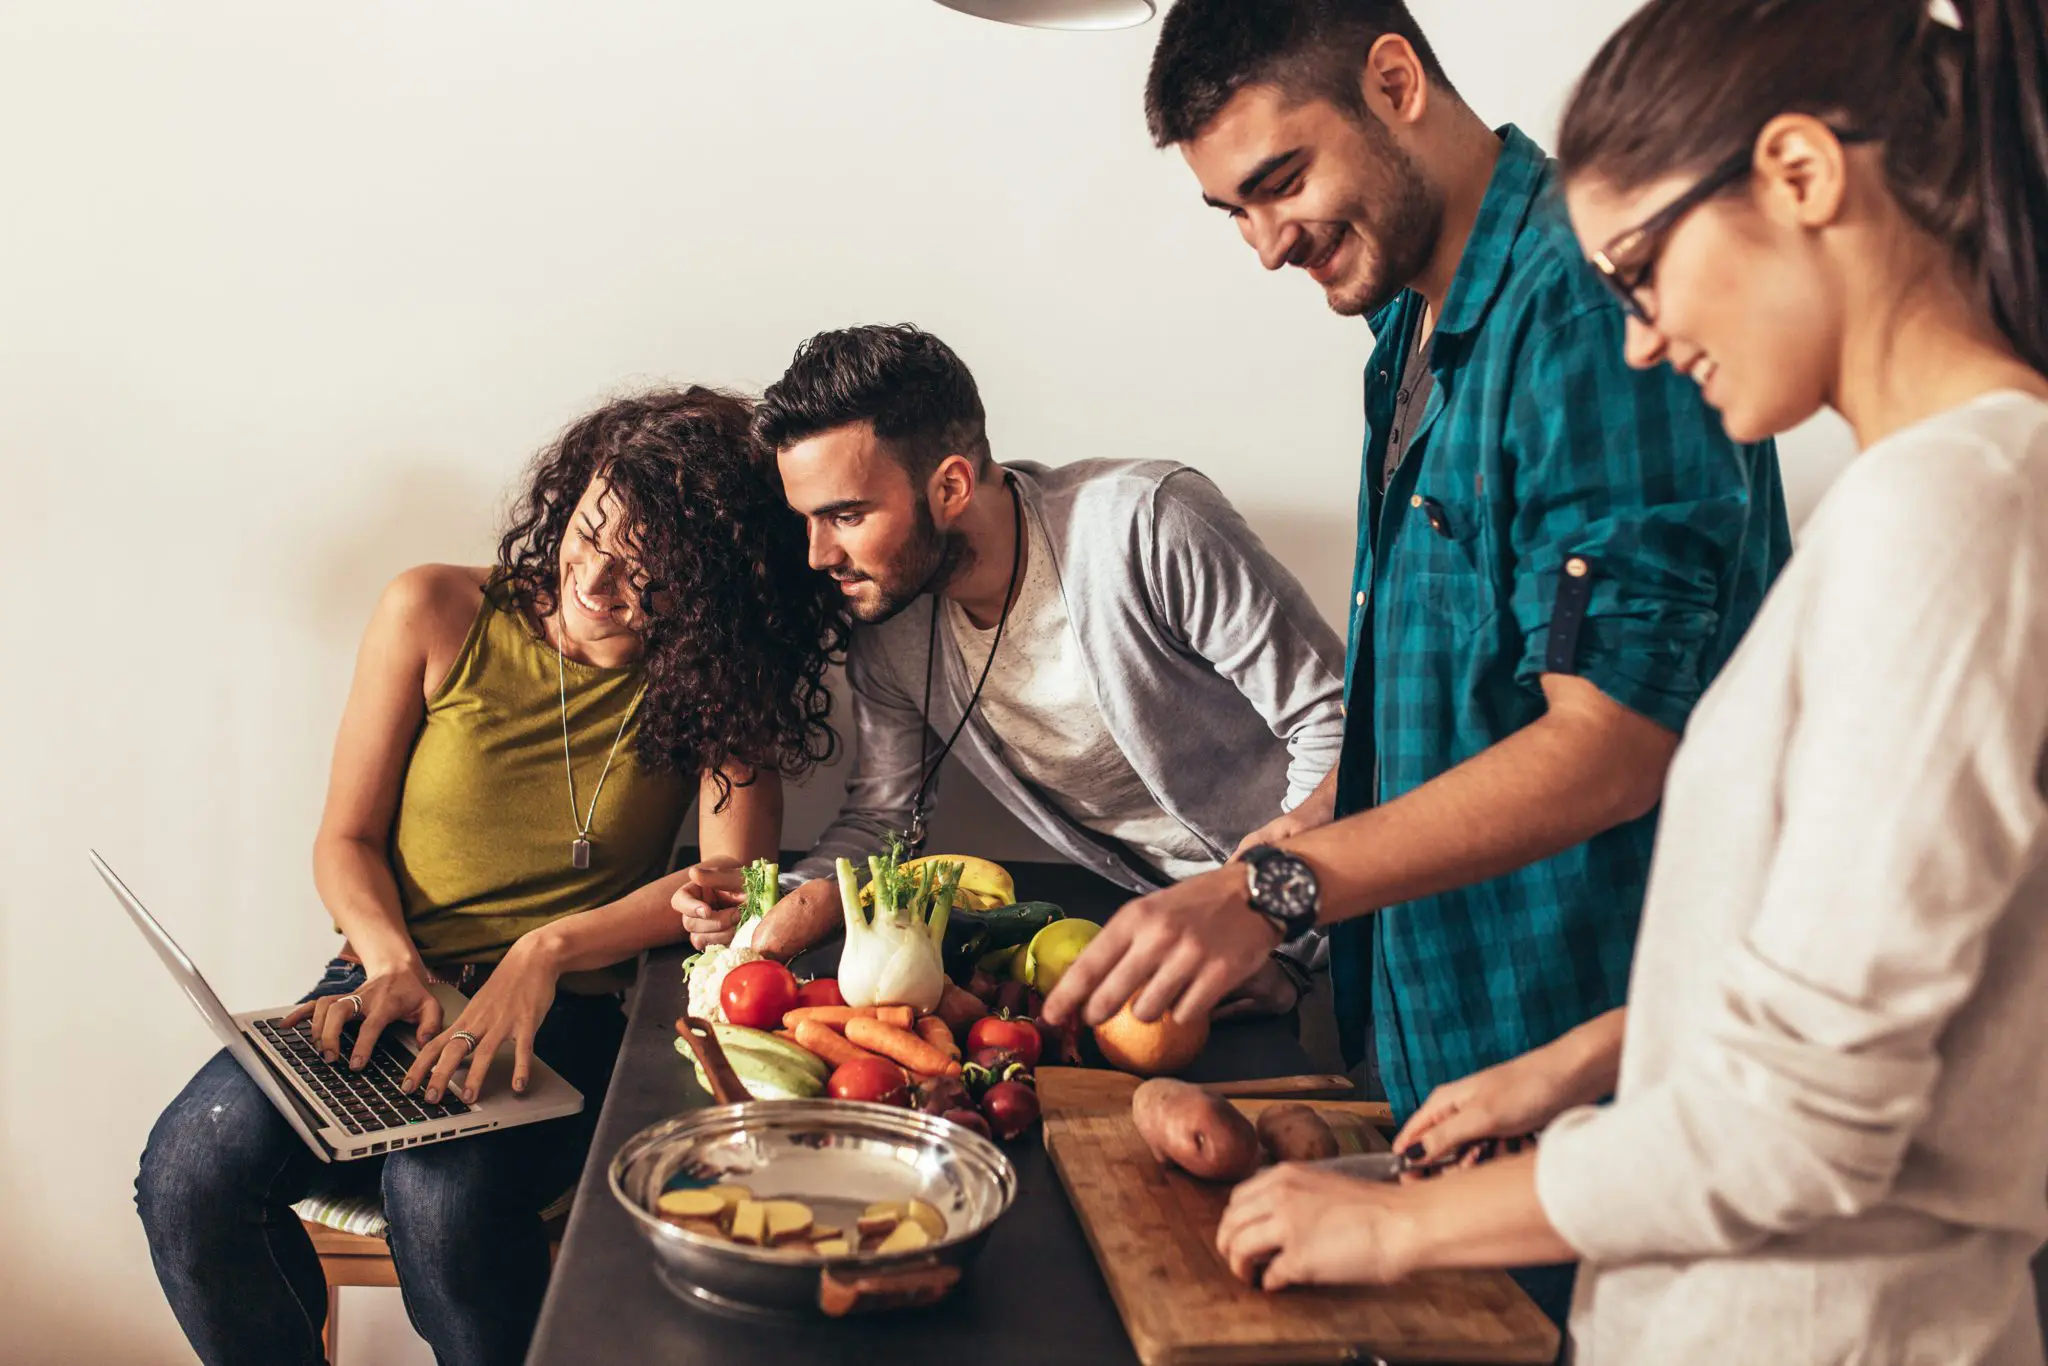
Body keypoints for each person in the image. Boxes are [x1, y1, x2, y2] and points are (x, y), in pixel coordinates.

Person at [1204, 0, 2048, 1360]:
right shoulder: (1931, 501)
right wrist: (1596, 1055)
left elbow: (1809, 1120)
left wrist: (1397, 1226)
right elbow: (1884, 969)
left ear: (1800, 176)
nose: (1641, 339)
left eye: (1646, 272)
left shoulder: (1945, 513)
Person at [1038, 0, 1793, 1323]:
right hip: (1456, 1072)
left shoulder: (1582, 310)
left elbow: (1613, 738)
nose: (1269, 245)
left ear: (1395, 81)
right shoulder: (1410, 336)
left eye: (1281, 182)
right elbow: (1441, 727)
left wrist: (1273, 888)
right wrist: (1247, 875)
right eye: (1234, 214)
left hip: (1605, 1075)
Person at [134, 389, 845, 1366]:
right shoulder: (434, 608)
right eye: (591, 531)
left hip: (574, 1013)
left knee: (444, 1197)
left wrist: (545, 950)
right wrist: (388, 963)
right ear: (570, 496)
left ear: (713, 585)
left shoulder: (716, 675)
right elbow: (343, 839)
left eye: (648, 572)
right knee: (189, 1169)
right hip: (384, 987)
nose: (596, 579)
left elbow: (734, 879)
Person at [673, 324, 1347, 1018]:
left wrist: (1276, 933)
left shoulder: (1148, 525)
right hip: (1167, 934)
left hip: (1346, 910)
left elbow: (1341, 730)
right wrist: (781, 900)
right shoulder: (892, 625)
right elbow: (885, 819)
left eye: (845, 516)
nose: (818, 555)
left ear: (952, 486)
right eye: (807, 521)